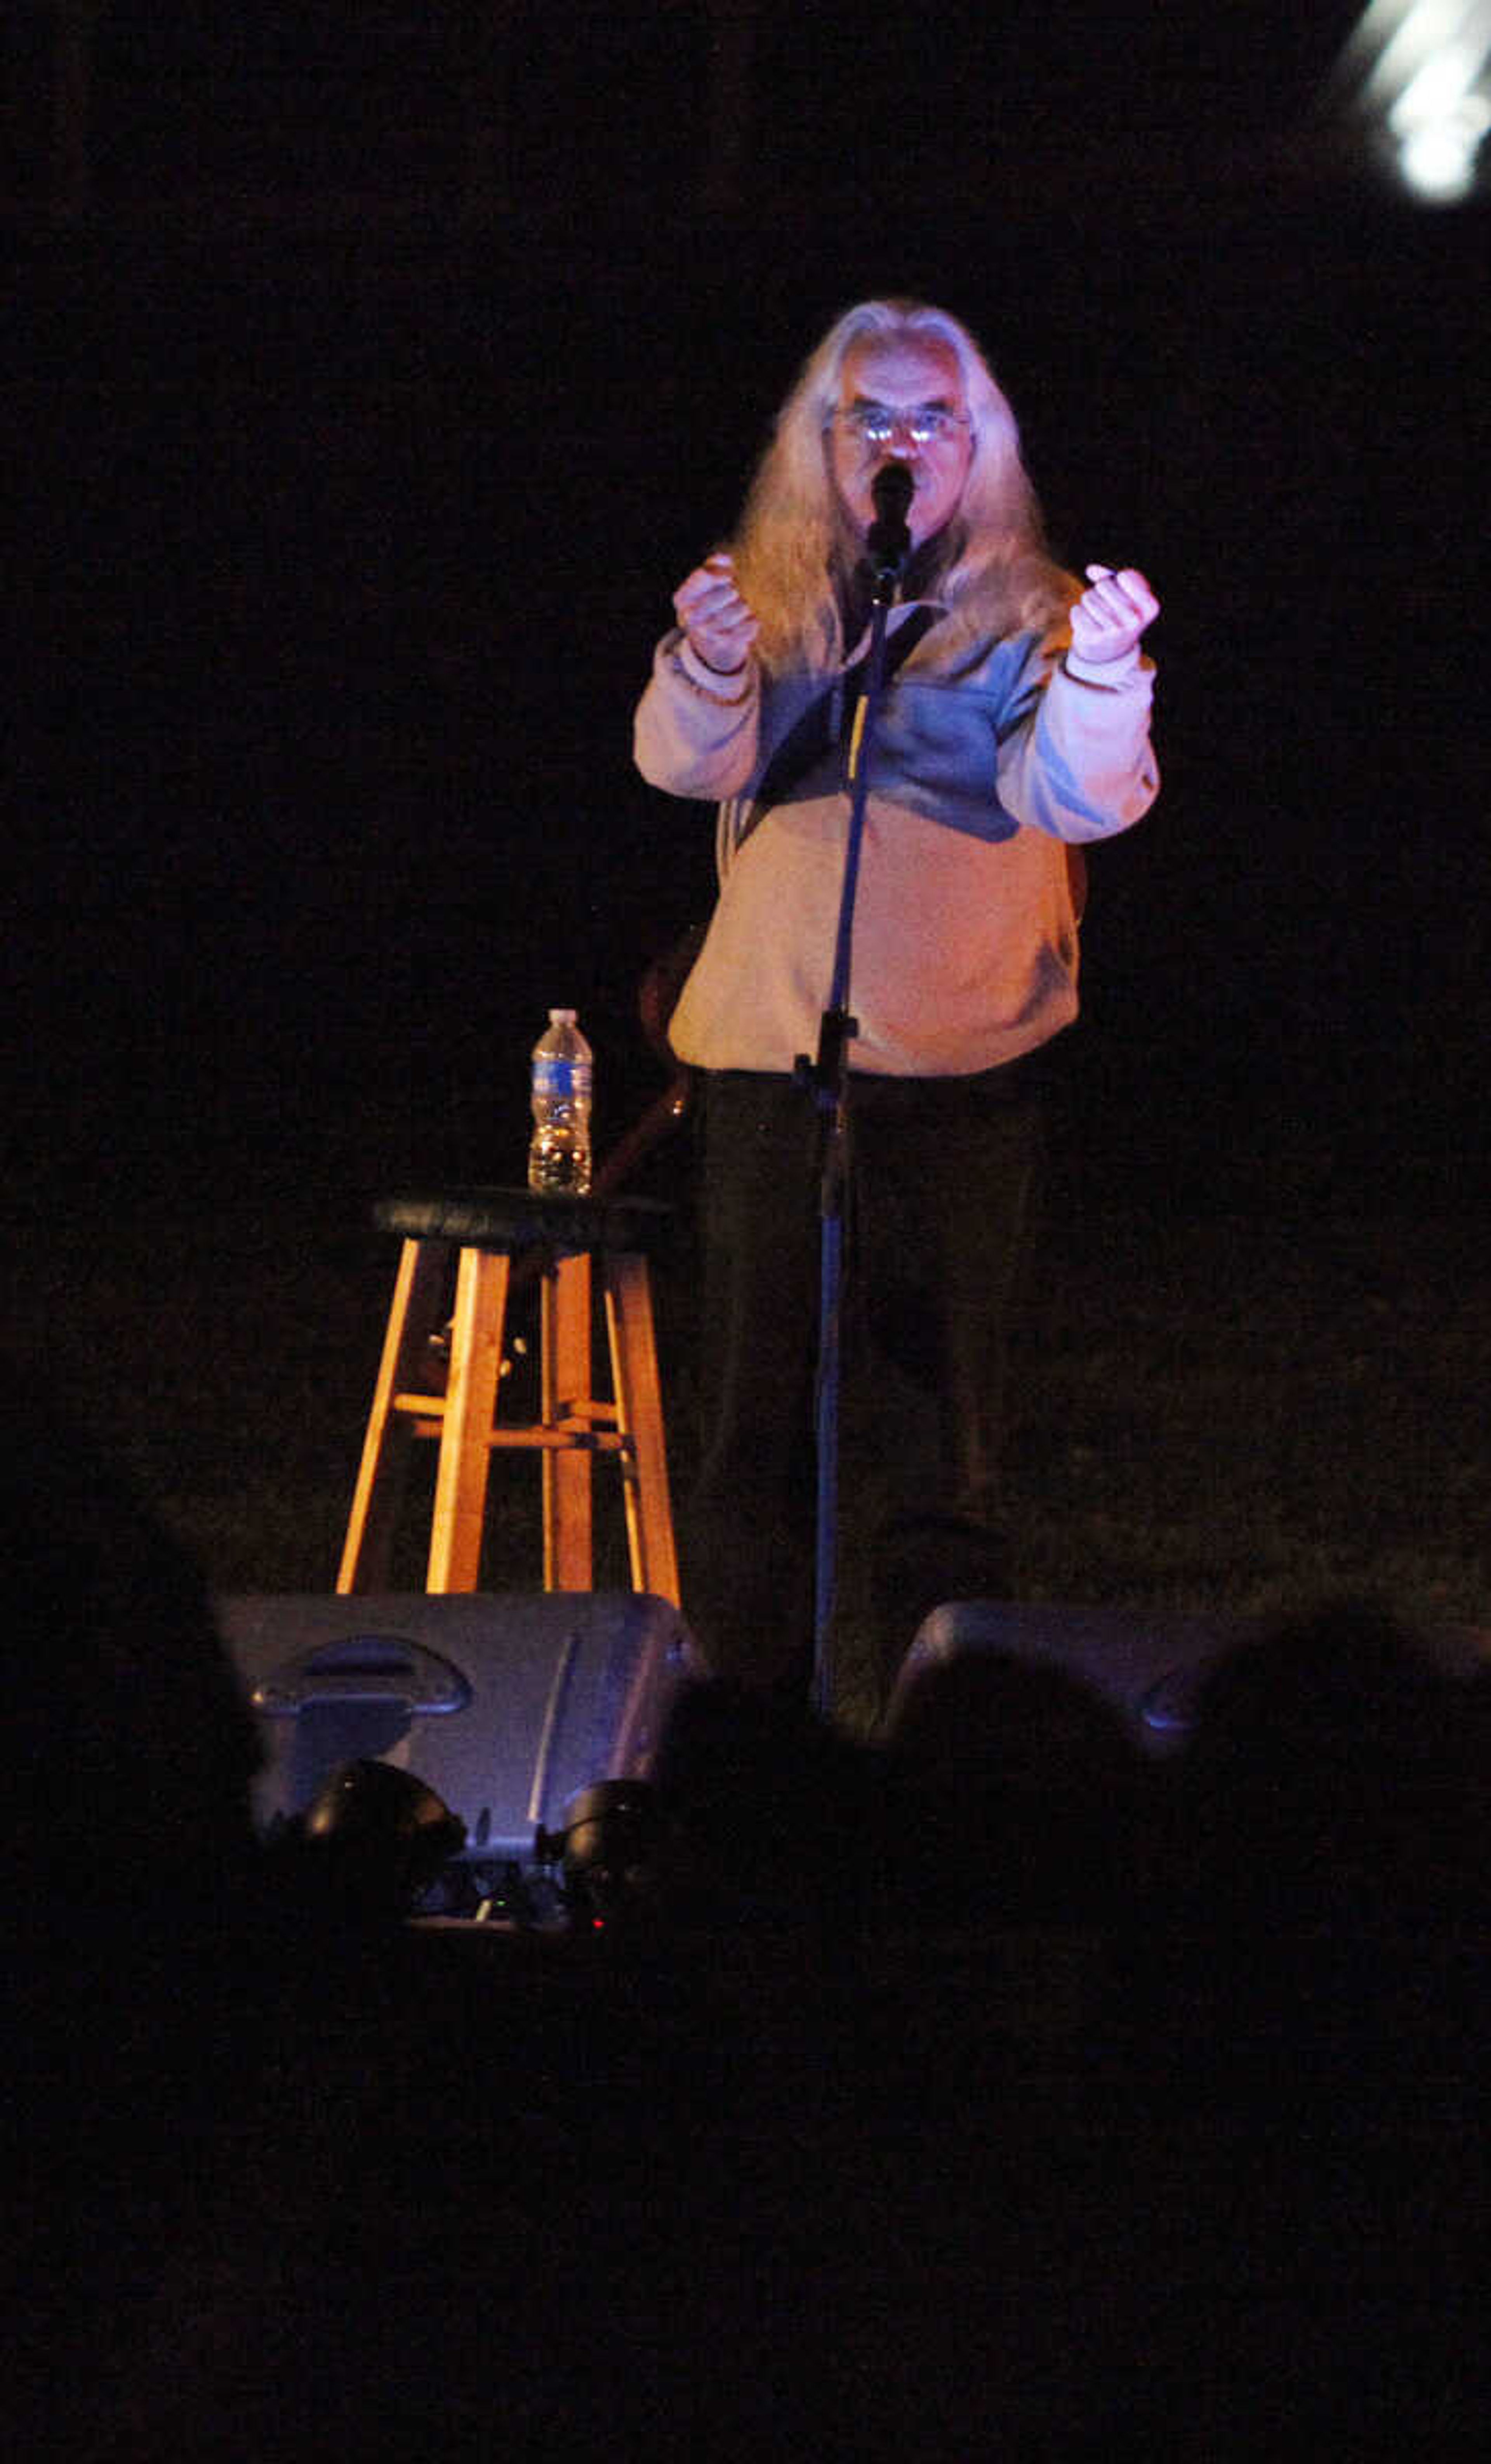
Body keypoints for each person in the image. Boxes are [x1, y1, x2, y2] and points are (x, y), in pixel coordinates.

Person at [634, 297, 1160, 1728]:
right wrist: (711, 660)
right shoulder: (769, 590)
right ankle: (745, 1759)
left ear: (977, 443)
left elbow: (1080, 794)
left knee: (943, 1447)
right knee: (755, 1438)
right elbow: (683, 764)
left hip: (959, 1074)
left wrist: (1107, 674)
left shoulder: (1036, 607)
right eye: (873, 416)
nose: (903, 443)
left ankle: (952, 1764)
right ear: (825, 440)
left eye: (934, 418)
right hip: (772, 1064)